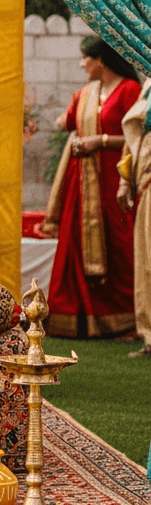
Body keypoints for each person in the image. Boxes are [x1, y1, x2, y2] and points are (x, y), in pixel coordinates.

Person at [41, 35, 142, 337]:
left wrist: (100, 141)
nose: (82, 63)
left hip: (115, 181)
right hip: (83, 183)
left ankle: (125, 319)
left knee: (120, 248)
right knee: (74, 247)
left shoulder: (130, 90)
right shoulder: (86, 93)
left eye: (86, 57)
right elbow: (68, 122)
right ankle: (78, 319)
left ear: (101, 61)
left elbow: (139, 137)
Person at [119, 78, 151, 355]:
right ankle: (149, 335)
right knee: (146, 263)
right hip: (145, 184)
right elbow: (135, 139)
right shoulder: (147, 84)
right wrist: (124, 181)